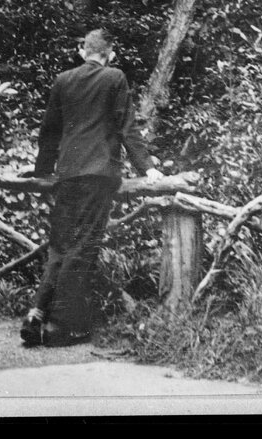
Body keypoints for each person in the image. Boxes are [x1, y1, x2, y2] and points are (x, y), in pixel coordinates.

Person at [21, 28, 161, 347]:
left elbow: (49, 133)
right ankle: (58, 327)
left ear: (83, 52)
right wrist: (148, 168)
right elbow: (127, 128)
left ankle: (35, 314)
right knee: (82, 247)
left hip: (67, 174)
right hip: (98, 175)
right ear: (109, 54)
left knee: (60, 246)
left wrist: (42, 173)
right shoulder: (115, 78)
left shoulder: (63, 80)